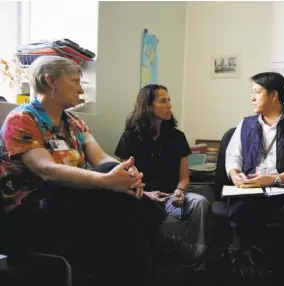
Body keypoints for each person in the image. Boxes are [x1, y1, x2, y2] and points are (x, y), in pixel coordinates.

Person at [0, 56, 170, 286]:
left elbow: (101, 158)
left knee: (122, 208)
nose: (81, 89)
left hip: (67, 199)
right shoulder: (21, 119)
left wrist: (125, 174)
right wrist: (107, 180)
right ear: (51, 81)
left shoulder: (74, 122)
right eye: (74, 81)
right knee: (124, 212)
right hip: (29, 209)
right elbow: (46, 170)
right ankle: (162, 242)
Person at [225, 72, 284, 285]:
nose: (252, 98)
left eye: (257, 92)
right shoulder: (245, 124)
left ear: (274, 95)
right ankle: (251, 264)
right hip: (252, 189)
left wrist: (275, 179)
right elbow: (232, 156)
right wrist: (234, 173)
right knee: (239, 208)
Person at [114, 84, 210, 268]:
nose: (169, 105)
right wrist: (148, 194)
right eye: (163, 101)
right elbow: (124, 177)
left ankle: (192, 254)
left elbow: (184, 177)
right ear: (148, 106)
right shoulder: (130, 137)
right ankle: (169, 245)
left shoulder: (177, 137)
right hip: (143, 197)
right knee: (142, 208)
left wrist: (180, 191)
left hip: (171, 197)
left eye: (169, 100)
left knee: (200, 202)